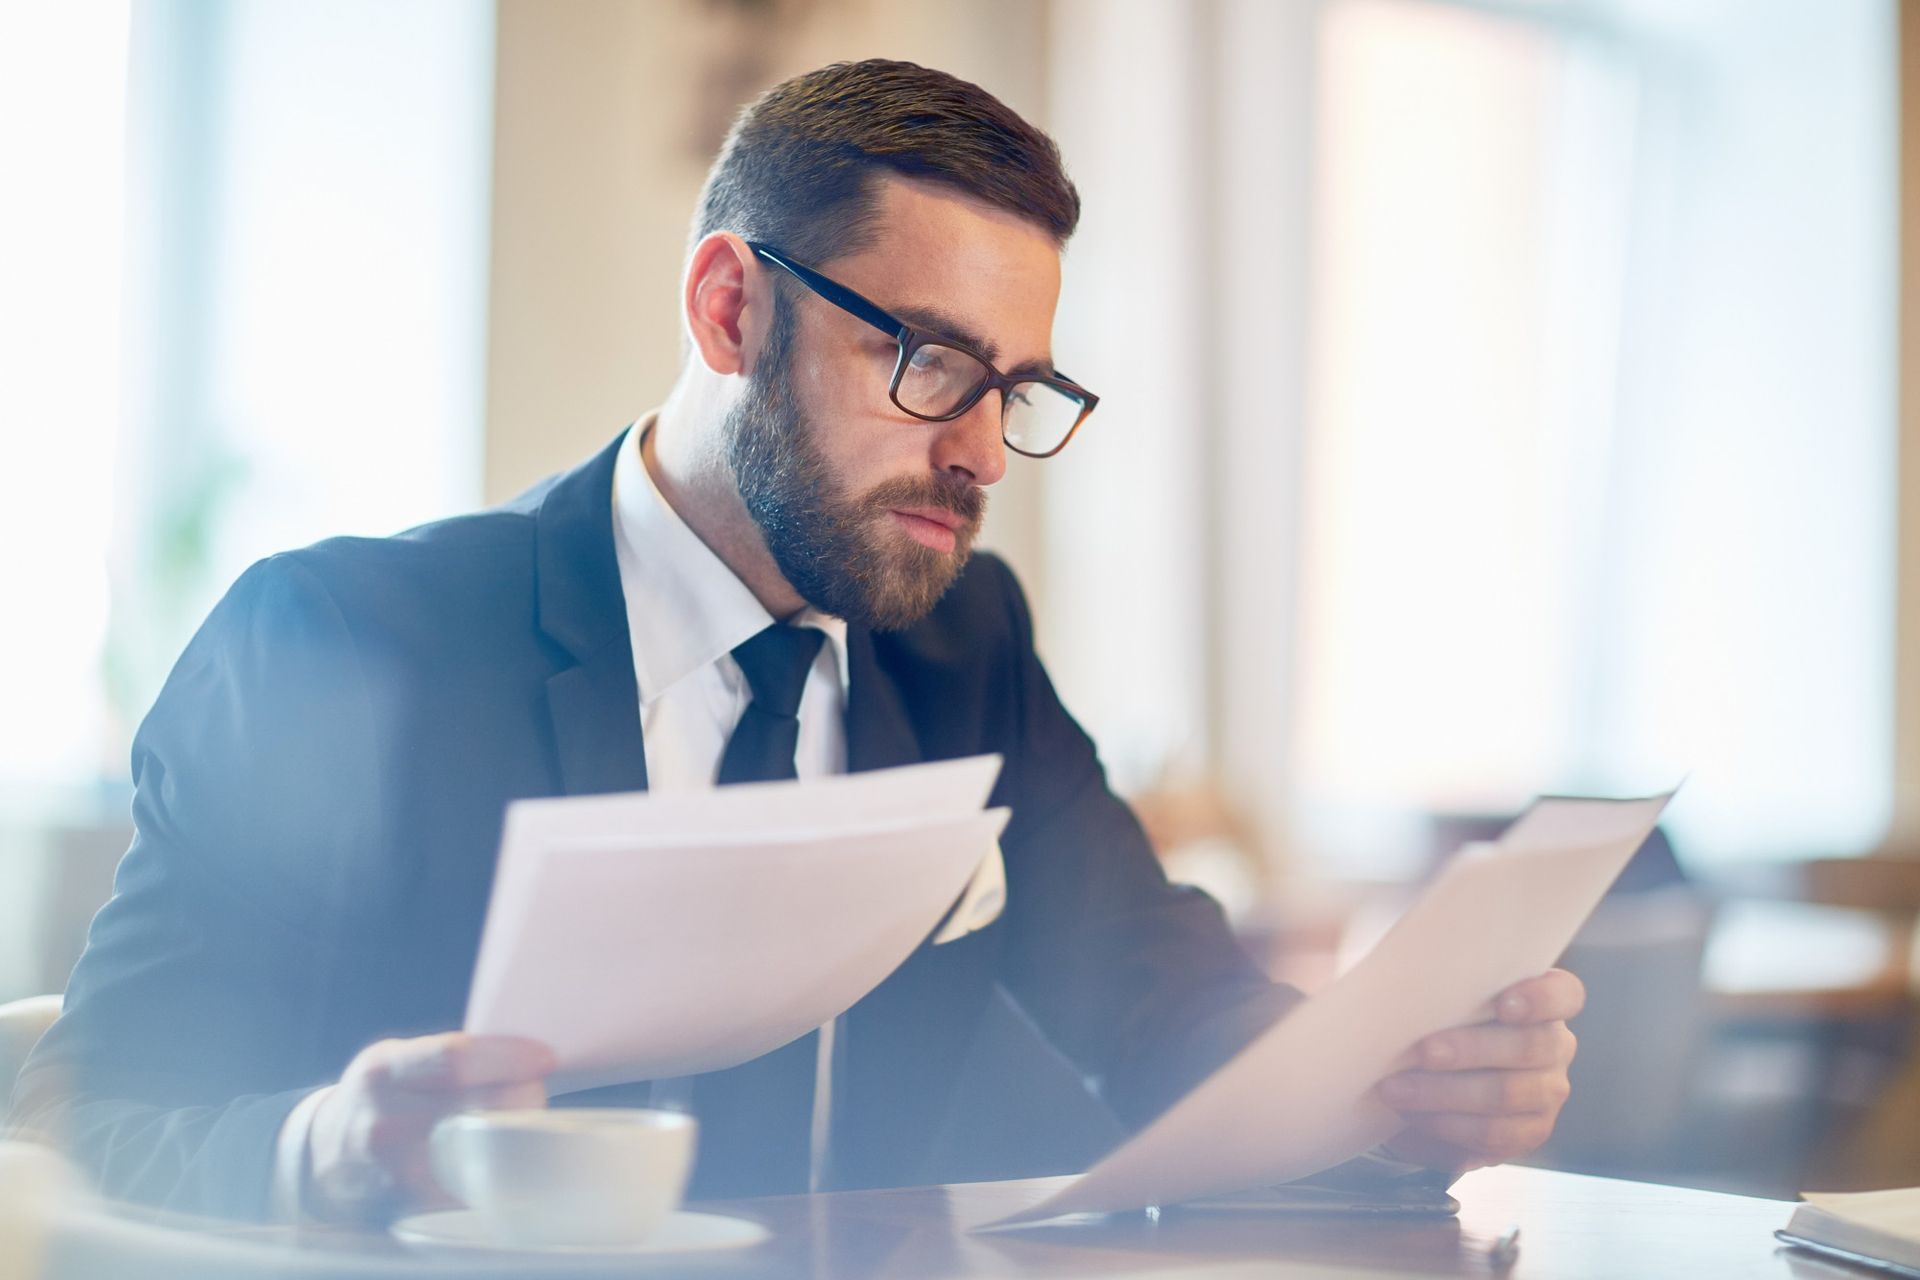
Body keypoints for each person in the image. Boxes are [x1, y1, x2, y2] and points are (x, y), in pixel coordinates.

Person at [10, 59, 1582, 1225]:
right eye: (928, 363)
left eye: (1016, 390)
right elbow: (100, 1120)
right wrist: (328, 1146)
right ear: (727, 312)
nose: (977, 453)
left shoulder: (963, 641)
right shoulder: (344, 641)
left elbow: (1162, 1008)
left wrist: (1390, 1088)